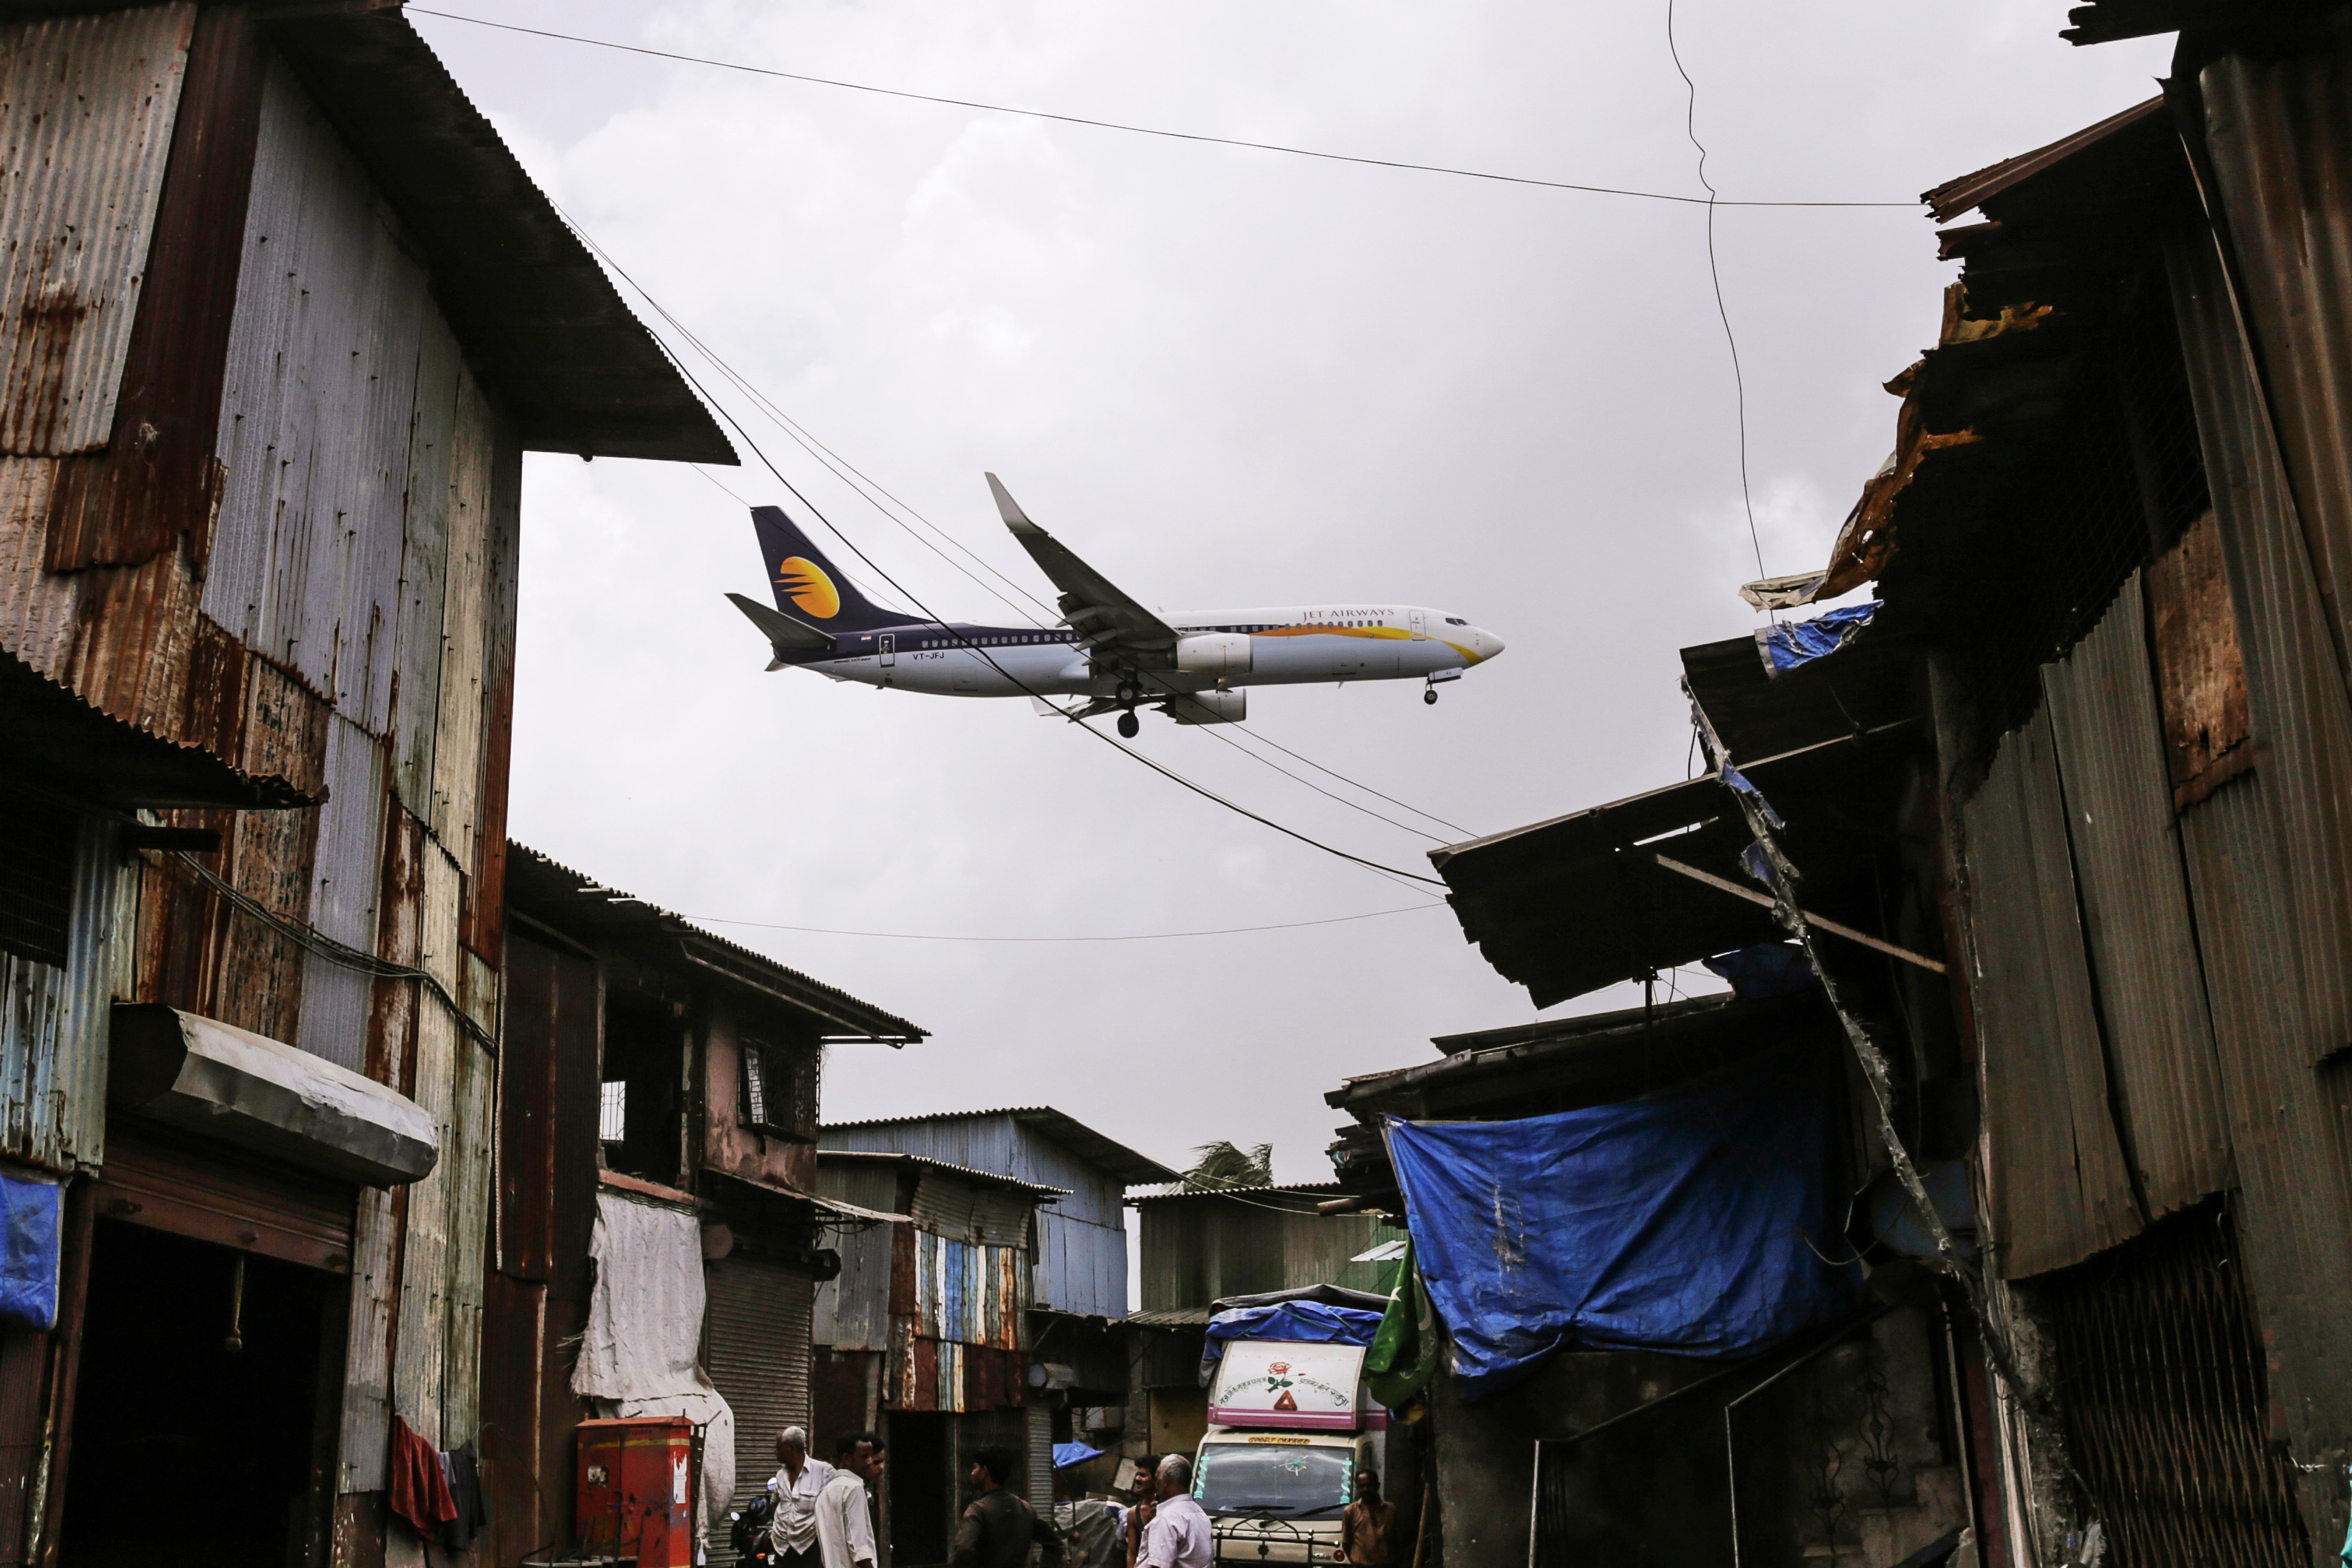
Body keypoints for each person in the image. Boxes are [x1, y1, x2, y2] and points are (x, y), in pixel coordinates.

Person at [949, 1446, 1063, 1567]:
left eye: (975, 1468)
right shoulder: (1026, 1509)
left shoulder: (978, 1510)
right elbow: (1055, 1544)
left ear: (985, 1472)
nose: (972, 1473)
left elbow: (964, 1549)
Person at [767, 1427, 834, 1566]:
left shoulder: (824, 1472)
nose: (775, 1453)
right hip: (781, 1547)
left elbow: (834, 1510)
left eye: (779, 1449)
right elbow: (774, 1503)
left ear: (791, 1448)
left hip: (808, 1548)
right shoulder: (781, 1475)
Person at [816, 1431, 883, 1568]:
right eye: (864, 1457)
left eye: (871, 1457)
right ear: (847, 1459)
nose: (870, 1462)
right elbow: (859, 1550)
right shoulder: (854, 1488)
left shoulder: (825, 1492)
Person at [1132, 1454, 1210, 1568]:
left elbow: (1159, 1566)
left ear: (1165, 1480)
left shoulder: (1167, 1518)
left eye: (1157, 1476)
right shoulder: (1200, 1514)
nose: (1156, 1482)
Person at [1339, 1466, 1395, 1565]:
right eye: (1361, 1486)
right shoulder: (1351, 1511)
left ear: (1377, 1486)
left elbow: (1397, 1541)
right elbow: (1346, 1543)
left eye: (1369, 1485)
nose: (1365, 1489)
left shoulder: (1390, 1509)